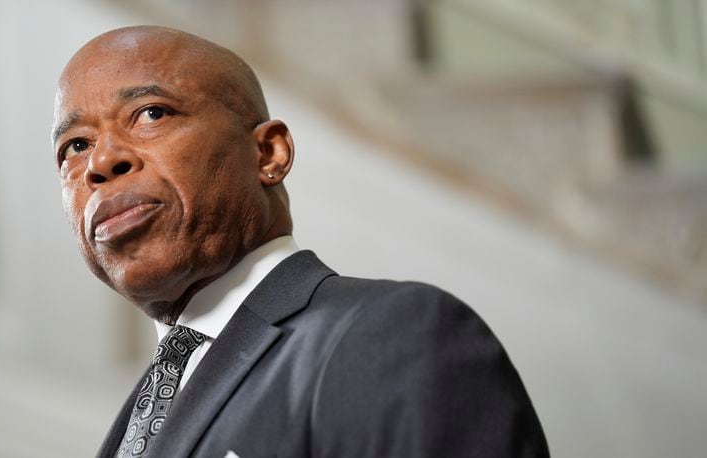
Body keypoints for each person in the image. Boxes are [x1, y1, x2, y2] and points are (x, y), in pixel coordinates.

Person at [52, 26, 549, 457]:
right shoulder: (151, 406)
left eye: (151, 114)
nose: (100, 163)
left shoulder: (390, 334)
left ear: (269, 153)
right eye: (75, 146)